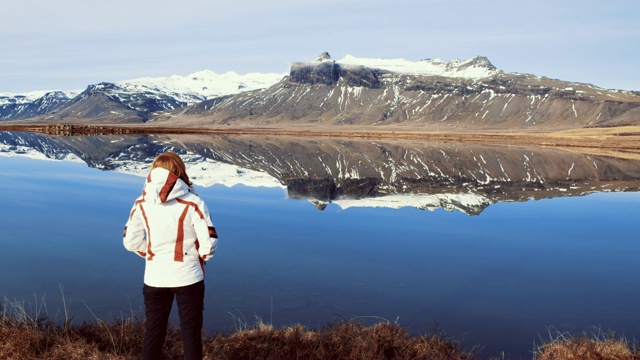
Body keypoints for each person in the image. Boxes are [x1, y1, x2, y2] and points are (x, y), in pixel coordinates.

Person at [123, 151, 218, 360]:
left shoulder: (142, 202)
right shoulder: (193, 202)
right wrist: (198, 257)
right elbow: (209, 242)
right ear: (179, 172)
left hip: (155, 277)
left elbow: (130, 241)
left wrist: (149, 253)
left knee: (153, 333)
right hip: (189, 276)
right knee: (190, 334)